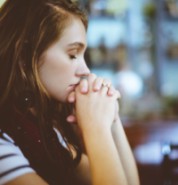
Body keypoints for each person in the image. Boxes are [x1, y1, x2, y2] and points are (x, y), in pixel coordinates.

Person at [0, 0, 140, 185]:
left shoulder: (46, 131)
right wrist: (95, 128)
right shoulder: (4, 142)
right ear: (26, 56)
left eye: (83, 56)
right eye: (73, 54)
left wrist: (111, 118)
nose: (86, 71)